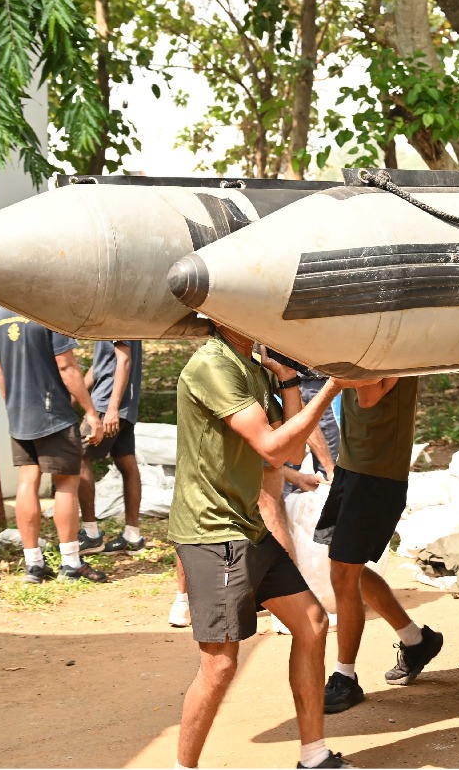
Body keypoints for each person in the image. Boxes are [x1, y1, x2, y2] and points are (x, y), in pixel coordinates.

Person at [169, 321, 364, 770]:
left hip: (247, 526)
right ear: (225, 316)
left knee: (313, 624)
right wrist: (332, 387)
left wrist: (290, 380)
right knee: (219, 667)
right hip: (213, 533)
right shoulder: (214, 366)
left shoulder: (253, 366)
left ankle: (313, 756)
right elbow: (273, 449)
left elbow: (292, 453)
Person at [315, 374, 443, 714]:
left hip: (376, 474)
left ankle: (346, 678)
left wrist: (339, 375)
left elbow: (369, 396)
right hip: (353, 465)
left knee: (344, 574)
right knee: (345, 570)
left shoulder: (389, 338)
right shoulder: (367, 337)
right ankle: (417, 641)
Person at [0, 312, 107, 583]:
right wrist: (90, 411)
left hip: (19, 413)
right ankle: (71, 562)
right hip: (52, 413)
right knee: (66, 483)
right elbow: (66, 367)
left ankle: (33, 565)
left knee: (27, 482)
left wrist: (14, 405)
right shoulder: (45, 311)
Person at [77, 339, 145, 555]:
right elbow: (99, 367)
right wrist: (73, 398)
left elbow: (124, 360)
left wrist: (112, 408)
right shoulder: (115, 317)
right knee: (126, 461)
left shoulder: (117, 316)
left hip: (108, 403)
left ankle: (91, 534)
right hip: (125, 403)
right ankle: (132, 536)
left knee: (78, 456)